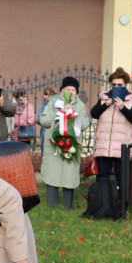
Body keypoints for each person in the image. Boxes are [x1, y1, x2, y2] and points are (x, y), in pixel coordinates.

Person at [39, 77, 88, 208]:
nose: (70, 92)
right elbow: (43, 120)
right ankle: (52, 204)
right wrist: (58, 113)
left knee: (69, 172)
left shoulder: (80, 105)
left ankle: (67, 204)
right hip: (54, 144)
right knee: (53, 171)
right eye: (67, 89)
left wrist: (73, 113)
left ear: (76, 93)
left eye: (73, 90)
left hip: (71, 145)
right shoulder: (53, 102)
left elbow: (84, 124)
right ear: (62, 91)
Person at [90, 68, 132, 189]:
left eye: (119, 85)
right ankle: (102, 205)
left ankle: (122, 205)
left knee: (122, 179)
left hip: (122, 146)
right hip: (104, 145)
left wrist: (122, 107)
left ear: (125, 85)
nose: (116, 87)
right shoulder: (104, 97)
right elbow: (94, 113)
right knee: (102, 178)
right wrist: (107, 104)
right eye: (114, 85)